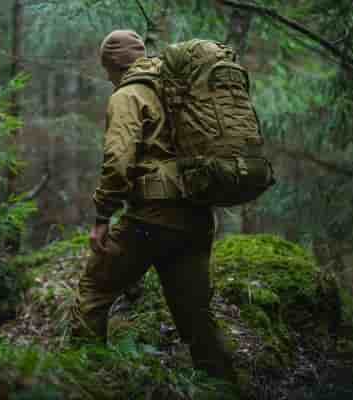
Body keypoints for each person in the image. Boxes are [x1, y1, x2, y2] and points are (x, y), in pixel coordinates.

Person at [71, 30, 237, 383]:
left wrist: (102, 217)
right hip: (196, 219)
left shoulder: (128, 95)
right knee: (196, 319)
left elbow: (118, 160)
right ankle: (222, 387)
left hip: (152, 217)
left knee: (94, 291)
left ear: (115, 65)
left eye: (107, 69)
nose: (107, 77)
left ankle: (80, 381)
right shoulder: (183, 91)